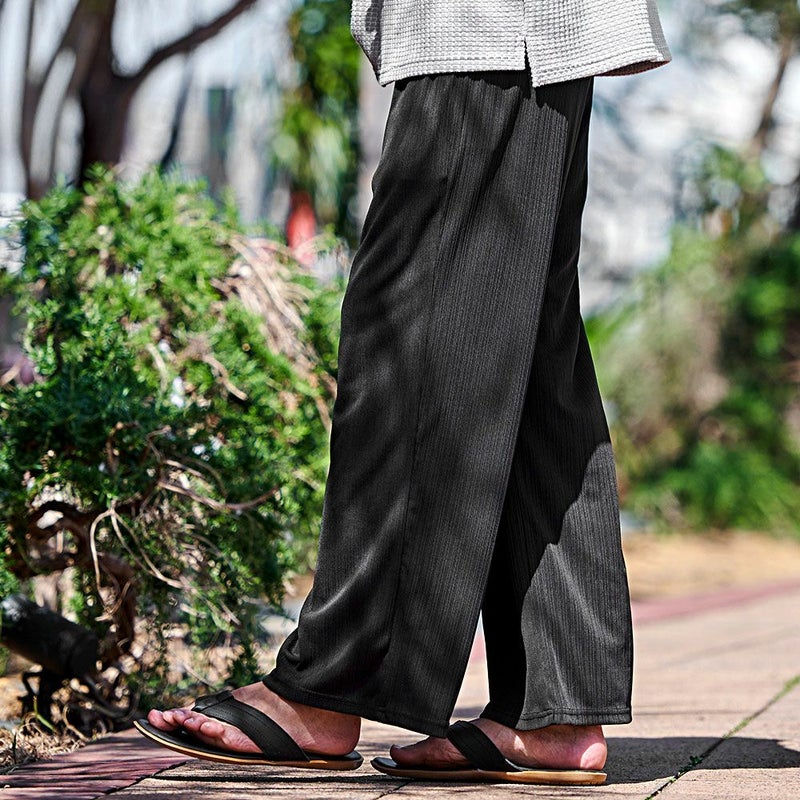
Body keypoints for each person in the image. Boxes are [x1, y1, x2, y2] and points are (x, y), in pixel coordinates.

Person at [136, 0, 670, 785]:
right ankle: (552, 710)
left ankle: (330, 686)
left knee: (407, 336)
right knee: (529, 360)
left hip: (481, 27)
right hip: (533, 35)